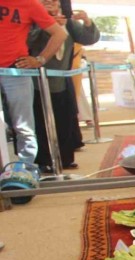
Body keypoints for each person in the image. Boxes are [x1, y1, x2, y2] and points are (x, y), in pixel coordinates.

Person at [29, 0, 100, 173]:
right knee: (41, 122)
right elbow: (27, 42)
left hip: (63, 79)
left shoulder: (68, 21)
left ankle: (66, 158)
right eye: (45, 2)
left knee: (66, 120)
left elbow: (89, 38)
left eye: (53, 2)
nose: (50, 5)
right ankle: (44, 160)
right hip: (38, 80)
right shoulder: (32, 19)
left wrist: (87, 21)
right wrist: (47, 25)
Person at [0, 0, 66, 169]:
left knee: (23, 126)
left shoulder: (29, 4)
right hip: (15, 72)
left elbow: (59, 34)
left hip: (15, 70)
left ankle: (25, 170)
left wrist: (40, 59)